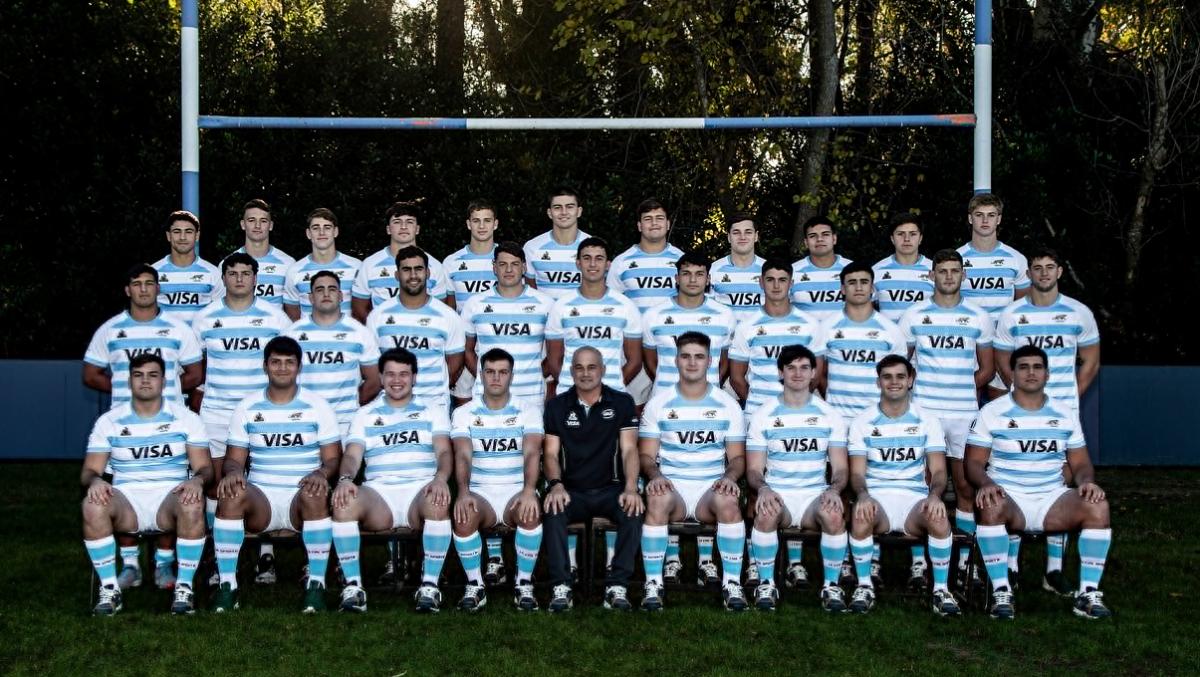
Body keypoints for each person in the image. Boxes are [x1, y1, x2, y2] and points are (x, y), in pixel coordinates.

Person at [966, 345, 1113, 620]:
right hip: (1009, 497)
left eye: (1037, 367)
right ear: (1012, 374)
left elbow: (1081, 463)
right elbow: (972, 463)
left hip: (1051, 498)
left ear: (1047, 374)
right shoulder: (992, 412)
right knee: (990, 503)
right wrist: (985, 483)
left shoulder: (1064, 412)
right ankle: (1002, 591)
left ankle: (1087, 594)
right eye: (1023, 367)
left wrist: (1086, 482)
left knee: (1097, 505)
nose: (1030, 373)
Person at [83, 263, 204, 590]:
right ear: (128, 290)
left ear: (158, 288)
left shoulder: (178, 329)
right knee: (121, 486)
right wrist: (126, 392)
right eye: (137, 284)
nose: (144, 289)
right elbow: (91, 374)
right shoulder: (110, 330)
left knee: (170, 483)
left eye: (150, 283)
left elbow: (195, 373)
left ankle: (164, 565)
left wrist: (164, 394)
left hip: (170, 422)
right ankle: (131, 565)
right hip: (123, 427)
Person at [993, 246, 1100, 595]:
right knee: (1015, 479)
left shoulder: (1079, 313)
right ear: (1029, 274)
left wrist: (1068, 399)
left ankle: (1054, 571)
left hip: (1060, 414)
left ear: (1059, 272)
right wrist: (1019, 394)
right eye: (1037, 268)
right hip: (1020, 410)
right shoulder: (1011, 314)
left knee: (1062, 482)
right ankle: (1010, 566)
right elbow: (1003, 360)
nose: (1043, 273)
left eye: (1049, 267)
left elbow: (1090, 361)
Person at [209, 336, 342, 613]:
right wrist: (233, 473)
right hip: (262, 499)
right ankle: (228, 586)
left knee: (316, 491)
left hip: (301, 498)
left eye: (289, 362)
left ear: (299, 367)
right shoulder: (247, 407)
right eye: (276, 362)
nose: (282, 368)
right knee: (231, 491)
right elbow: (233, 460)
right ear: (265, 366)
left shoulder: (318, 406)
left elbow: (333, 459)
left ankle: (316, 586)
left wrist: (321, 473)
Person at [81, 354, 212, 616]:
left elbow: (205, 468)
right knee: (92, 504)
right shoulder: (109, 421)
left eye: (153, 375)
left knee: (193, 502)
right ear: (129, 380)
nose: (145, 381)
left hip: (170, 499)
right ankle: (110, 590)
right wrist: (95, 480)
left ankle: (184, 589)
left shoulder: (186, 419)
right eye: (138, 375)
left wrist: (197, 480)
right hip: (127, 501)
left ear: (164, 381)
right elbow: (89, 471)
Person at [544, 236, 642, 576]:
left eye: (599, 258)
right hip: (572, 399)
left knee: (617, 480)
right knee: (567, 478)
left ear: (608, 264)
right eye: (586, 258)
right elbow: (555, 360)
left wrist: (606, 386)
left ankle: (616, 570)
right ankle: (566, 569)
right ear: (578, 263)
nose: (593, 264)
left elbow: (634, 359)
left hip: (611, 399)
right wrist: (577, 383)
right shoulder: (562, 307)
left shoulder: (625, 306)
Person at [191, 253, 292, 583]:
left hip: (263, 412)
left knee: (263, 480)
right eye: (232, 273)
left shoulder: (275, 317)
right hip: (218, 413)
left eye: (245, 273)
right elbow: (196, 367)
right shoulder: (205, 318)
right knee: (216, 485)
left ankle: (266, 557)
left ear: (255, 278)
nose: (239, 279)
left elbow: (286, 365)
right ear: (223, 278)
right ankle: (218, 558)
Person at [898, 249, 993, 593]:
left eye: (954, 271)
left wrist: (960, 389)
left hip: (963, 413)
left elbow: (987, 369)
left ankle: (966, 563)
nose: (948, 276)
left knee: (965, 486)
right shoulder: (914, 315)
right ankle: (919, 564)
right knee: (922, 484)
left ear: (963, 275)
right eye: (942, 271)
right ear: (932, 275)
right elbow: (902, 364)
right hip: (925, 412)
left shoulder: (979, 317)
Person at [331, 348, 454, 613]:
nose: (396, 380)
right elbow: (352, 455)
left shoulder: (432, 410)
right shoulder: (365, 414)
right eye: (390, 374)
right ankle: (353, 588)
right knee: (344, 502)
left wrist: (441, 478)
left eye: (403, 374)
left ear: (414, 377)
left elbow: (444, 452)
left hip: (419, 489)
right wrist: (345, 479)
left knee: (438, 499)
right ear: (380, 377)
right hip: (380, 494)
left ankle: (429, 587)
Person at [638, 332, 748, 611]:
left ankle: (732, 584)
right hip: (672, 487)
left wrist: (729, 477)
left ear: (710, 361)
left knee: (729, 499)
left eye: (699, 357)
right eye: (685, 356)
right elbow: (646, 456)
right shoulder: (658, 404)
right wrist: (656, 475)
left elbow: (737, 458)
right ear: (676, 360)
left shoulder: (727, 405)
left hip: (709, 489)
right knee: (656, 497)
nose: (691, 363)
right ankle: (653, 585)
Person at [845, 355, 959, 617]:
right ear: (878, 382)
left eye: (900, 376)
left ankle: (940, 590)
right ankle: (864, 586)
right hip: (878, 498)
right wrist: (862, 495)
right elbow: (857, 474)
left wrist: (935, 495)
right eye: (887, 377)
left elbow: (939, 471)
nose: (893, 382)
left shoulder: (927, 420)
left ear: (910, 381)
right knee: (861, 513)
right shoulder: (863, 422)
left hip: (913, 498)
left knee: (938, 515)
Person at [745, 345, 849, 612]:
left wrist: (834, 490)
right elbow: (754, 470)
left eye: (804, 367)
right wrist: (764, 489)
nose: (798, 373)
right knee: (765, 512)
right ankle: (766, 583)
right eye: (790, 368)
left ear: (814, 372)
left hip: (814, 493)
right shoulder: (763, 415)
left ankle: (831, 586)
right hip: (779, 492)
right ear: (780, 373)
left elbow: (840, 469)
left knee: (834, 514)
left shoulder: (829, 414)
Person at [541, 347, 644, 611]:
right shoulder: (556, 406)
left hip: (611, 489)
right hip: (571, 491)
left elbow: (630, 450)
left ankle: (617, 586)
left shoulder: (621, 402)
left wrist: (631, 487)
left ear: (603, 370)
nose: (585, 373)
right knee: (553, 508)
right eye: (579, 367)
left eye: (591, 367)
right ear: (571, 371)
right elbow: (550, 454)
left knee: (633, 509)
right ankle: (561, 586)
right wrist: (556, 485)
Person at [450, 349, 545, 612]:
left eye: (503, 372)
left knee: (530, 510)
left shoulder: (528, 410)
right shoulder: (464, 412)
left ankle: (523, 583)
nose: (496, 378)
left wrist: (529, 490)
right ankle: (475, 585)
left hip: (515, 489)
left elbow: (532, 453)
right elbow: (463, 455)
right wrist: (463, 492)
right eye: (490, 372)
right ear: (481, 375)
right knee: (463, 515)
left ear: (511, 376)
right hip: (481, 492)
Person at [364, 246, 466, 414]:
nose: (413, 275)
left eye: (418, 269)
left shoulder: (448, 316)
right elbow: (372, 366)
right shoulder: (378, 316)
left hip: (434, 407)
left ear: (428, 273)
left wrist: (432, 391)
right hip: (390, 407)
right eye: (406, 270)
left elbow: (455, 363)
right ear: (397, 275)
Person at [608, 198, 686, 406]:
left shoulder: (682, 261)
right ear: (639, 225)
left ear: (668, 224)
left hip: (671, 347)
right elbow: (612, 306)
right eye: (648, 218)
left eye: (659, 218)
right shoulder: (622, 262)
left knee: (671, 407)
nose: (654, 223)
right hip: (634, 349)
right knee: (633, 408)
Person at [285, 270, 381, 437]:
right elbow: (283, 379)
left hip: (346, 423)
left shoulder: (360, 332)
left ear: (341, 296)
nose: (326, 294)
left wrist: (352, 404)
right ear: (311, 298)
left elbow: (374, 380)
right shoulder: (291, 334)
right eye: (319, 289)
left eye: (332, 289)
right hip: (304, 421)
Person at [459, 241, 554, 405]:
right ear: (494, 268)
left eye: (515, 264)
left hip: (531, 397)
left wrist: (537, 374)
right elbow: (466, 350)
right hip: (486, 397)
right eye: (503, 264)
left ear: (524, 267)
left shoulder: (546, 304)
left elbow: (556, 352)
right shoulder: (474, 304)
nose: (509, 270)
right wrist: (487, 378)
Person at [729, 257, 825, 415]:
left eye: (782, 280)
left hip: (797, 413)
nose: (776, 286)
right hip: (757, 414)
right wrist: (760, 408)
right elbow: (736, 378)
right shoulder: (746, 327)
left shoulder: (810, 325)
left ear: (791, 283)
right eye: (770, 280)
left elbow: (816, 375)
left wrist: (796, 401)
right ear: (761, 282)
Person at [957, 193, 1029, 399]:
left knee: (1003, 407)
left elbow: (1021, 306)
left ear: (999, 219)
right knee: (966, 405)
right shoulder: (957, 258)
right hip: (968, 342)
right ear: (970, 218)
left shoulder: (1016, 259)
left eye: (991, 215)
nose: (985, 220)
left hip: (1003, 343)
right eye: (979, 215)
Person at [642, 251, 737, 398]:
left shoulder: (725, 315)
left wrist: (707, 385)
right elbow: (650, 361)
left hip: (709, 401)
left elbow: (724, 363)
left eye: (699, 274)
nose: (693, 279)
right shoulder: (653, 315)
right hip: (664, 400)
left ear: (708, 279)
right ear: (677, 278)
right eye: (686, 274)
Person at [443, 200, 501, 407]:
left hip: (499, 341)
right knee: (465, 411)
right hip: (465, 346)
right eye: (476, 221)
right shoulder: (451, 262)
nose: (482, 226)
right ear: (468, 224)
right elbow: (449, 310)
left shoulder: (507, 258)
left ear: (495, 224)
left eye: (487, 220)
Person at [353, 201, 451, 321]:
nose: (403, 227)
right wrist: (379, 327)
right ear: (388, 229)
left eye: (409, 221)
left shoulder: (434, 266)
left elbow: (439, 309)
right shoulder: (369, 264)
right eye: (397, 222)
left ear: (417, 229)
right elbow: (359, 308)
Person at [282, 208, 361, 321]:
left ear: (335, 232)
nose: (322, 232)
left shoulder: (356, 267)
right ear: (308, 233)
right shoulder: (294, 271)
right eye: (316, 228)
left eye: (327, 227)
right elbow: (292, 314)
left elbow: (362, 309)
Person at [153, 210, 224, 324]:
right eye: (177, 231)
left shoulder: (213, 273)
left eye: (188, 231)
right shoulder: (154, 272)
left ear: (197, 236)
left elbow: (221, 313)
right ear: (168, 236)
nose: (182, 237)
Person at [524, 187, 590, 299]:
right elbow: (530, 289)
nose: (564, 212)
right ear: (549, 213)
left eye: (570, 207)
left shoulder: (593, 246)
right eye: (557, 207)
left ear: (579, 211)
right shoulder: (532, 247)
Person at [231, 199, 295, 306]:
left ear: (271, 225)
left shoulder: (288, 264)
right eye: (251, 220)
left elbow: (293, 308)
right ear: (243, 224)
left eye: (263, 221)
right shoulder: (227, 264)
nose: (257, 225)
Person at [872, 212, 933, 322]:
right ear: (892, 238)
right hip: (889, 333)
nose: (906, 239)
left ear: (920, 238)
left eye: (913, 234)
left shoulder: (935, 270)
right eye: (900, 234)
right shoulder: (876, 271)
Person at [791, 215, 853, 323]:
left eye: (825, 234)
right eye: (813, 236)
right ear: (806, 242)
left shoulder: (853, 270)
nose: (819, 239)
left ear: (834, 239)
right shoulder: (791, 272)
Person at [709, 212, 766, 323]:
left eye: (748, 232)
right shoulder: (713, 270)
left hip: (760, 333)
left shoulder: (768, 270)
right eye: (736, 232)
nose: (742, 237)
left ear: (756, 236)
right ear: (729, 237)